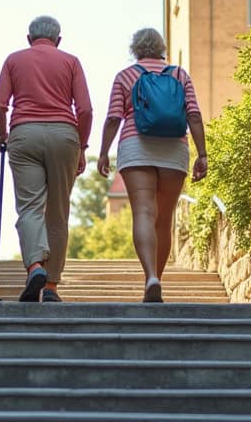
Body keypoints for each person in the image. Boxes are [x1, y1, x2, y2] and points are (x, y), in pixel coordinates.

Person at [97, 28, 207, 303]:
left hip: (136, 146)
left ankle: (150, 278)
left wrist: (102, 153)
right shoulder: (180, 75)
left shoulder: (125, 76)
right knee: (164, 220)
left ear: (135, 49)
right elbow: (193, 114)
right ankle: (156, 278)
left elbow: (113, 118)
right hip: (174, 149)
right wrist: (202, 154)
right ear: (161, 48)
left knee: (144, 213)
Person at [0, 15, 92, 302]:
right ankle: (51, 286)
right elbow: (85, 110)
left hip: (24, 134)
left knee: (30, 208)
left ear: (28, 38)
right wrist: (82, 147)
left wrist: (1, 134)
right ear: (59, 40)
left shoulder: (14, 60)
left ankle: (35, 265)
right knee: (58, 213)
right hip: (64, 136)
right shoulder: (71, 62)